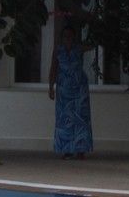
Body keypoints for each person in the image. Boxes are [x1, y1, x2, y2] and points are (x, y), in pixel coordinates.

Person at [48, 25, 93, 159]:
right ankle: (66, 150)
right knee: (64, 119)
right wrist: (51, 87)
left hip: (79, 89)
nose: (68, 38)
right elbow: (53, 68)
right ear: (61, 37)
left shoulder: (79, 48)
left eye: (70, 35)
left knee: (81, 119)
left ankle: (81, 150)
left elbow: (93, 45)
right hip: (64, 89)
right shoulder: (58, 50)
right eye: (65, 35)